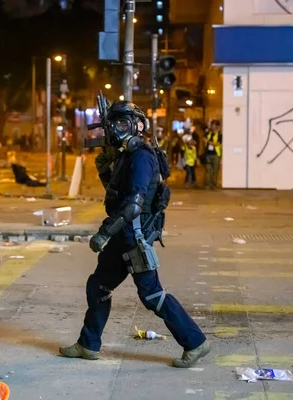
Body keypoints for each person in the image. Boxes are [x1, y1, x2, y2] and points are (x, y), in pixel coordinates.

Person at [59, 100, 211, 368]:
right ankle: (88, 344)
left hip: (133, 237)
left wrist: (104, 233)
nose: (117, 131)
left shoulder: (142, 156)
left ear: (139, 125)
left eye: (122, 123)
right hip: (123, 236)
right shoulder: (126, 156)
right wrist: (105, 168)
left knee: (152, 295)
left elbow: (133, 204)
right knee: (98, 287)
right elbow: (117, 193)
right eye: (113, 124)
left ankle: (196, 343)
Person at [203, 120, 222, 190]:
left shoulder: (219, 134)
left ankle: (214, 185)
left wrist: (208, 142)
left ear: (217, 126)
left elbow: (217, 144)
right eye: (212, 125)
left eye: (213, 125)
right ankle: (207, 184)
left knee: (215, 170)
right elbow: (203, 139)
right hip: (208, 154)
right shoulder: (208, 133)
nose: (212, 126)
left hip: (216, 154)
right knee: (208, 170)